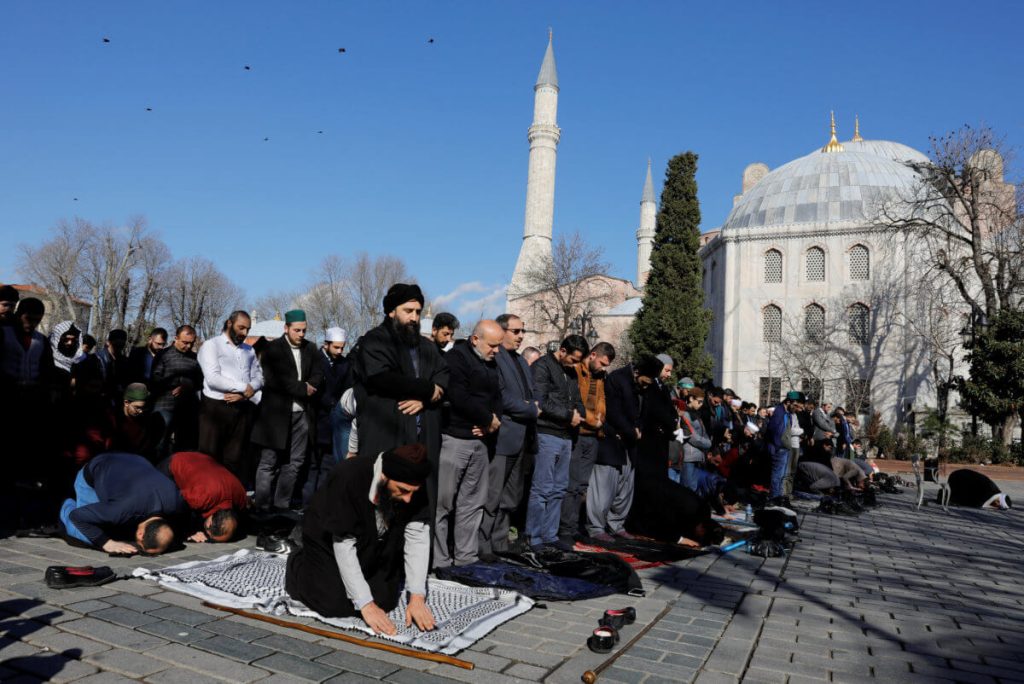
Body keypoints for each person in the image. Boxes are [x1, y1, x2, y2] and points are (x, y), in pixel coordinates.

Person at [285, 444, 436, 634]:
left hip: (372, 541)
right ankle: (298, 563)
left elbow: (417, 536)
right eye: (403, 490)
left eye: (413, 492)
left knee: (385, 601)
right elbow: (343, 543)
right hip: (327, 540)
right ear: (384, 477)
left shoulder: (413, 487)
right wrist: (365, 604)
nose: (408, 499)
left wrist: (417, 597)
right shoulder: (348, 476)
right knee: (333, 604)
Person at [351, 284, 448, 510]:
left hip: (423, 439)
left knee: (420, 506)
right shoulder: (375, 341)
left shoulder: (426, 346)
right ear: (391, 311)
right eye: (408, 311)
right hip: (387, 433)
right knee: (383, 504)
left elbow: (443, 374)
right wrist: (427, 390)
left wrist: (427, 398)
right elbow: (383, 379)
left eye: (418, 312)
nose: (414, 317)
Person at [433, 320, 504, 567]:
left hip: (481, 441)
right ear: (475, 339)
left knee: (472, 505)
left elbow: (497, 397)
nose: (496, 351)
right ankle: (440, 560)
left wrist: (494, 421)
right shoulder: (456, 359)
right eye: (493, 345)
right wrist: (487, 419)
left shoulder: (492, 363)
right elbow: (458, 396)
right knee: (443, 504)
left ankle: (465, 557)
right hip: (455, 439)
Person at [251, 309, 323, 512]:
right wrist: (304, 388)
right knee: (269, 462)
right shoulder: (273, 350)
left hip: (302, 414)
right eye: (297, 330)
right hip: (275, 416)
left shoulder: (311, 349)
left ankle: (281, 507)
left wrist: (311, 386)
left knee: (295, 463)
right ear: (286, 328)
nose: (301, 334)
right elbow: (277, 380)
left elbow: (318, 373)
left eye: (304, 330)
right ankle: (263, 508)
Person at [479, 314, 538, 559]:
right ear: (502, 332)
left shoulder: (521, 362)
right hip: (503, 437)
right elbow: (501, 396)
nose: (521, 336)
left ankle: (500, 543)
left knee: (511, 497)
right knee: (492, 495)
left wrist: (532, 405)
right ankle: (482, 546)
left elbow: (532, 393)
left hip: (522, 437)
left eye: (522, 331)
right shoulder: (496, 359)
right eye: (516, 331)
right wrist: (530, 408)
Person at [525, 335, 588, 550]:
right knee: (542, 488)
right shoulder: (542, 366)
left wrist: (580, 413)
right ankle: (534, 537)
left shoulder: (570, 371)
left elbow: (576, 398)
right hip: (547, 432)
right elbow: (541, 402)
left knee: (559, 488)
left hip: (566, 435)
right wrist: (568, 415)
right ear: (562, 351)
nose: (576, 364)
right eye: (573, 359)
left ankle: (549, 535)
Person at [586, 357, 659, 541]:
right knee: (603, 490)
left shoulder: (644, 387)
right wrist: (629, 431)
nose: (647, 386)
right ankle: (596, 528)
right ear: (637, 373)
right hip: (611, 441)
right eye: (646, 381)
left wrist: (638, 430)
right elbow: (613, 411)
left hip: (630, 444)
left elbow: (644, 411)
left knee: (625, 488)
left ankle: (616, 524)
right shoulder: (617, 380)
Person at [59, 452, 184, 555]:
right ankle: (65, 505)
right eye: (140, 547)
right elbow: (78, 516)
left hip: (133, 460)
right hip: (94, 472)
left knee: (114, 527)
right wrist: (107, 543)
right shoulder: (120, 511)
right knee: (86, 535)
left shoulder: (177, 504)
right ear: (140, 534)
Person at [197, 311, 263, 483]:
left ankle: (230, 500)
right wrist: (244, 388)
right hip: (215, 408)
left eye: (248, 329)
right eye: (241, 328)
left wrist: (249, 391)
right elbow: (213, 378)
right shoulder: (212, 345)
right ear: (229, 323)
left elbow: (259, 377)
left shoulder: (249, 350)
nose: (244, 333)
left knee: (235, 458)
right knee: (209, 458)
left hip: (241, 408)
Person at [559, 341, 615, 544]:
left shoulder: (600, 376)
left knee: (582, 486)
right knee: (571, 485)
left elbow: (601, 402)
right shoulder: (576, 371)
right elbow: (577, 402)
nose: (603, 367)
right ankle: (565, 528)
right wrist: (593, 420)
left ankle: (573, 526)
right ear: (592, 355)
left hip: (593, 436)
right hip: (578, 432)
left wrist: (599, 421)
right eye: (602, 362)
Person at [158, 451, 248, 542]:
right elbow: (173, 499)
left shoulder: (241, 498)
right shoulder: (200, 499)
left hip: (201, 458)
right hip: (176, 462)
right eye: (210, 537)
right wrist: (187, 533)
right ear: (209, 523)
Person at [306, 326, 351, 503]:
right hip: (316, 417)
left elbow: (347, 388)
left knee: (328, 464)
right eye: (336, 347)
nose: (340, 351)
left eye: (342, 347)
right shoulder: (315, 361)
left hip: (335, 421)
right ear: (326, 344)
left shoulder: (345, 364)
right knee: (312, 465)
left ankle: (320, 502)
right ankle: (307, 502)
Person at [150, 325, 203, 454]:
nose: (188, 347)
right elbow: (155, 378)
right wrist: (177, 383)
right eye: (185, 343)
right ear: (176, 338)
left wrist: (187, 385)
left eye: (191, 343)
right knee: (159, 443)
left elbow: (200, 381)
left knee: (185, 446)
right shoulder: (163, 355)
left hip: (187, 407)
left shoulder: (195, 358)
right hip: (164, 405)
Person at [765, 391, 802, 505]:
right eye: (795, 405)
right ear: (788, 402)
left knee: (782, 476)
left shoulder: (788, 413)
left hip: (785, 448)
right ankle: (774, 498)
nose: (796, 408)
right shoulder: (779, 412)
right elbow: (772, 430)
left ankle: (779, 496)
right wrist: (777, 445)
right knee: (777, 475)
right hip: (779, 448)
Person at [678, 388, 713, 492]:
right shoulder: (685, 414)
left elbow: (703, 432)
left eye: (702, 402)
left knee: (693, 488)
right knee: (687, 488)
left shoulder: (696, 414)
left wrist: (707, 442)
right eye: (699, 401)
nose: (701, 404)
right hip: (688, 456)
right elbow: (692, 436)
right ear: (691, 398)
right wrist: (708, 443)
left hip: (697, 456)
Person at [945, 469, 1013, 509]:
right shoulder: (989, 492)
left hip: (959, 476)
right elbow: (978, 504)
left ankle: (949, 497)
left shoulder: (993, 489)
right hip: (961, 478)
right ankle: (949, 497)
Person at [97, 329, 130, 403]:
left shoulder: (125, 361)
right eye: (116, 344)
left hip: (118, 400)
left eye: (121, 345)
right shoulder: (97, 359)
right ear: (108, 342)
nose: (118, 348)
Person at [49, 320, 81, 392]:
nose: (70, 343)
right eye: (66, 339)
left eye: (73, 340)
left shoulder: (79, 361)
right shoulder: (46, 355)